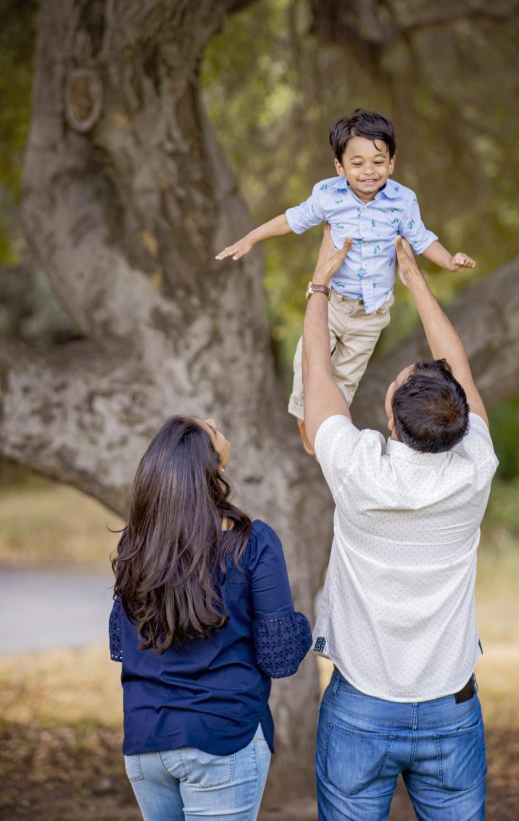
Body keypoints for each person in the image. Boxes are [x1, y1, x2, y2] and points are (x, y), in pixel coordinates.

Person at [302, 229, 498, 821]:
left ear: (390, 418)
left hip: (361, 707)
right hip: (450, 708)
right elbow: (458, 368)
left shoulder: (358, 468)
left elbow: (318, 376)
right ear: (460, 419)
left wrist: (318, 285)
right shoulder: (476, 468)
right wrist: (414, 278)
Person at [215, 109, 475, 453]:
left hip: (371, 314)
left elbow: (422, 238)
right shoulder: (328, 196)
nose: (369, 170)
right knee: (307, 366)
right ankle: (304, 415)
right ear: (340, 167)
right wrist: (251, 237)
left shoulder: (402, 200)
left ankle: (325, 428)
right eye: (357, 163)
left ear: (392, 162)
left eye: (378, 161)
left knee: (346, 378)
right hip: (333, 303)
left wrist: (449, 260)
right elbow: (291, 220)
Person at [109, 415, 311, 821]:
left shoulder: (137, 544)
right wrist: (302, 628)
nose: (217, 422)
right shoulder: (251, 542)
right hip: (222, 739)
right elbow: (281, 658)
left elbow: (120, 645)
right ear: (211, 464)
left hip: (147, 742)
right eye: (211, 428)